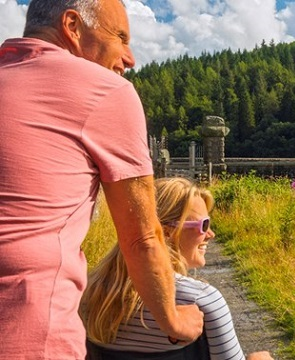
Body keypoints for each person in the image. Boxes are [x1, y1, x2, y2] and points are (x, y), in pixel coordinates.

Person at [0, 0, 203, 358]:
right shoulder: (105, 90)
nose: (130, 57)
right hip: (27, 331)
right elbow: (141, 237)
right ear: (73, 26)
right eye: (121, 37)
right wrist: (173, 321)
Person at [82, 177, 273, 360]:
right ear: (166, 232)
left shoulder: (89, 293)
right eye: (203, 225)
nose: (211, 234)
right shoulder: (202, 300)